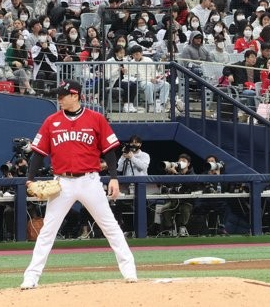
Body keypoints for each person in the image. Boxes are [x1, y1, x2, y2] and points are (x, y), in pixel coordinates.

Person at [20, 80, 137, 289]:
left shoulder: (96, 119)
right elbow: (38, 153)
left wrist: (113, 177)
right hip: (62, 183)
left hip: (89, 181)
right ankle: (31, 277)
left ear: (75, 96)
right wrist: (30, 178)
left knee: (109, 226)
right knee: (47, 231)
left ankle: (129, 271)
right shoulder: (51, 121)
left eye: (63, 95)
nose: (59, 99)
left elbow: (109, 151)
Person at [154, 153, 194, 237]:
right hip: (174, 201)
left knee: (185, 208)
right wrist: (169, 174)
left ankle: (183, 228)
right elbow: (160, 183)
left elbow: (188, 184)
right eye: (179, 161)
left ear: (188, 164)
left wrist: (176, 174)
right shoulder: (174, 172)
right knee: (165, 208)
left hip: (186, 201)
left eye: (184, 161)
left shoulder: (192, 174)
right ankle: (169, 230)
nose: (181, 162)